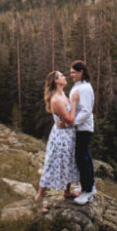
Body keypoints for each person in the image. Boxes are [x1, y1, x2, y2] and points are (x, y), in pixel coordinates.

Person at [34, 70, 80, 212]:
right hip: (61, 136)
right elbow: (70, 120)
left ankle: (67, 191)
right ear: (55, 81)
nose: (65, 76)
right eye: (61, 76)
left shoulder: (62, 94)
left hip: (68, 134)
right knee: (52, 164)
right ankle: (39, 199)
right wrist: (74, 102)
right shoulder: (55, 99)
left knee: (70, 161)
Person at [69, 60, 96, 205]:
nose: (71, 75)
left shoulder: (84, 88)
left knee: (81, 158)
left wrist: (73, 123)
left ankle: (87, 191)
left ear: (81, 72)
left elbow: (86, 110)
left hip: (83, 128)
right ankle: (90, 185)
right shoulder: (79, 85)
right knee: (85, 156)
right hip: (82, 127)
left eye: (73, 72)